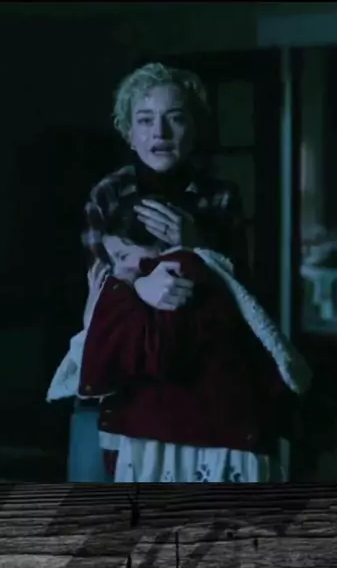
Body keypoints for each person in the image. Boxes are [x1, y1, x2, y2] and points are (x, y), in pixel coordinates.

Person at [49, 193, 311, 483]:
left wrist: (112, 304)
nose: (119, 271)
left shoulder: (179, 273)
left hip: (200, 443)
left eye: (123, 256)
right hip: (193, 438)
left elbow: (152, 356)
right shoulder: (161, 281)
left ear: (161, 245)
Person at [82, 62, 251, 312]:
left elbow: (242, 294)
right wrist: (139, 286)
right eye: (145, 120)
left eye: (176, 118)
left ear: (195, 129)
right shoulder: (107, 193)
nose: (160, 132)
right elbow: (97, 292)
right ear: (130, 134)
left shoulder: (221, 196)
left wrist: (196, 245)